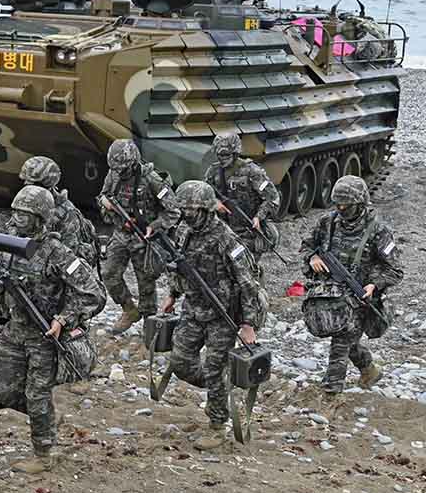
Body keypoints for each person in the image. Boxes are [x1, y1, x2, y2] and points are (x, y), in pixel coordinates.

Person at [0, 186, 106, 473]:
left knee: (37, 393)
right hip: (15, 329)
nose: (17, 218)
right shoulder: (10, 244)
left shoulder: (57, 253)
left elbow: (93, 292)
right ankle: (46, 419)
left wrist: (64, 319)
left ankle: (42, 453)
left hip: (44, 335)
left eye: (25, 214)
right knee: (4, 390)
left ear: (39, 218)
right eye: (15, 212)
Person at [160, 181, 263, 451]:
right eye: (183, 210)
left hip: (222, 316)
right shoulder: (186, 232)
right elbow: (180, 265)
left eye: (190, 210)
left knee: (215, 371)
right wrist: (172, 295)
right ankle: (221, 383)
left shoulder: (227, 240)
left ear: (205, 210)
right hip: (193, 309)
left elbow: (248, 283)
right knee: (180, 362)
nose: (186, 215)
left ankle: (217, 425)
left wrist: (248, 324)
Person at [299, 176, 403, 403]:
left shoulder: (378, 231)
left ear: (360, 203)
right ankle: (369, 369)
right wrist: (312, 257)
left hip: (359, 298)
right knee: (346, 339)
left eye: (346, 205)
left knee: (341, 341)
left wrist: (373, 284)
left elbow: (395, 270)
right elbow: (306, 245)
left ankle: (331, 393)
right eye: (338, 204)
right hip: (330, 294)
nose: (341, 209)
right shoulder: (327, 223)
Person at [98, 139, 179, 334]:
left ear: (133, 163)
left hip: (145, 238)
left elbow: (173, 211)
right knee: (109, 273)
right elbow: (103, 195)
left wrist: (154, 226)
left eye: (123, 169)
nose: (119, 173)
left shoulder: (151, 179)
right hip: (121, 233)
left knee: (146, 283)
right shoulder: (113, 174)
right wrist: (106, 205)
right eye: (116, 169)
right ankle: (128, 309)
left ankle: (149, 325)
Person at [203, 133, 280, 273]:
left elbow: (272, 198)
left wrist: (258, 217)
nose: (222, 158)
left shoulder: (252, 172)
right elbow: (203, 195)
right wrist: (214, 203)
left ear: (235, 152)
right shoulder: (213, 172)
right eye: (219, 155)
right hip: (223, 230)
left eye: (226, 154)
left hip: (248, 231)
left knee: (245, 270)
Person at [20, 156, 99, 267]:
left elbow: (69, 257)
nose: (25, 185)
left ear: (44, 184)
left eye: (30, 183)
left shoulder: (67, 214)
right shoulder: (31, 205)